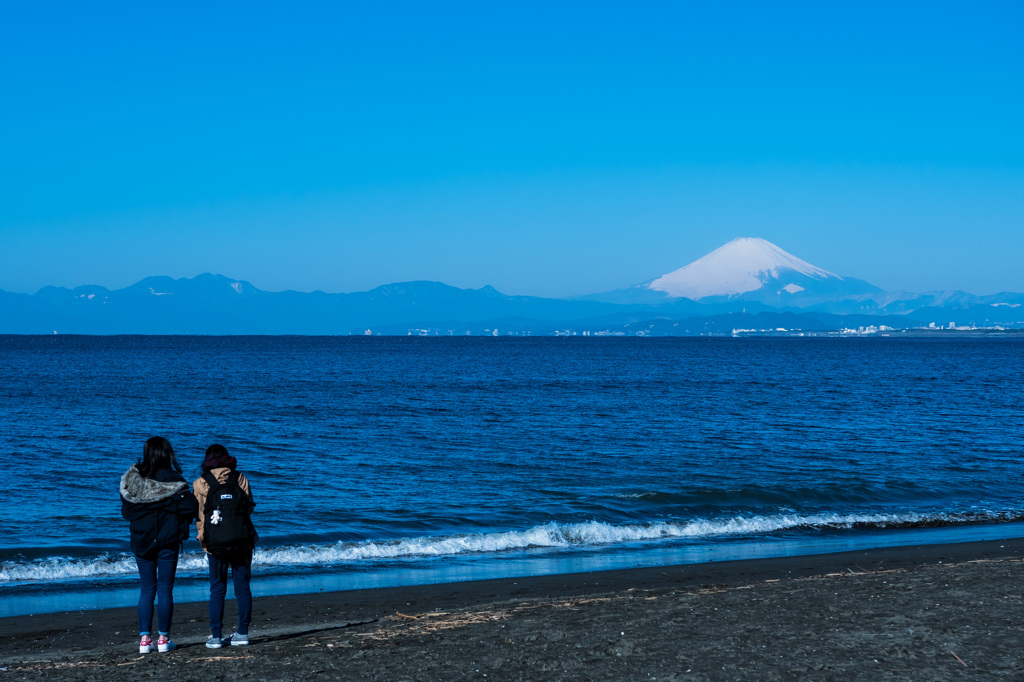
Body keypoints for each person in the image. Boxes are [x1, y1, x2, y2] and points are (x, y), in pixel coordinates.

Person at [120, 436, 198, 654]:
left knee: (147, 589)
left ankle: (145, 640)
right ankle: (164, 639)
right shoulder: (175, 481)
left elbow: (127, 512)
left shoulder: (133, 481)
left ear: (147, 453)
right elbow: (190, 509)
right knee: (164, 589)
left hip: (142, 540)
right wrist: (169, 508)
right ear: (167, 454)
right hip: (167, 540)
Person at [193, 443, 257, 649]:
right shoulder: (240, 478)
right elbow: (249, 508)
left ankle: (215, 637)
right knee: (242, 587)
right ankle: (242, 633)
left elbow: (200, 516)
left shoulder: (200, 483)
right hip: (242, 541)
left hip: (215, 544)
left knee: (217, 589)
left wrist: (204, 541)